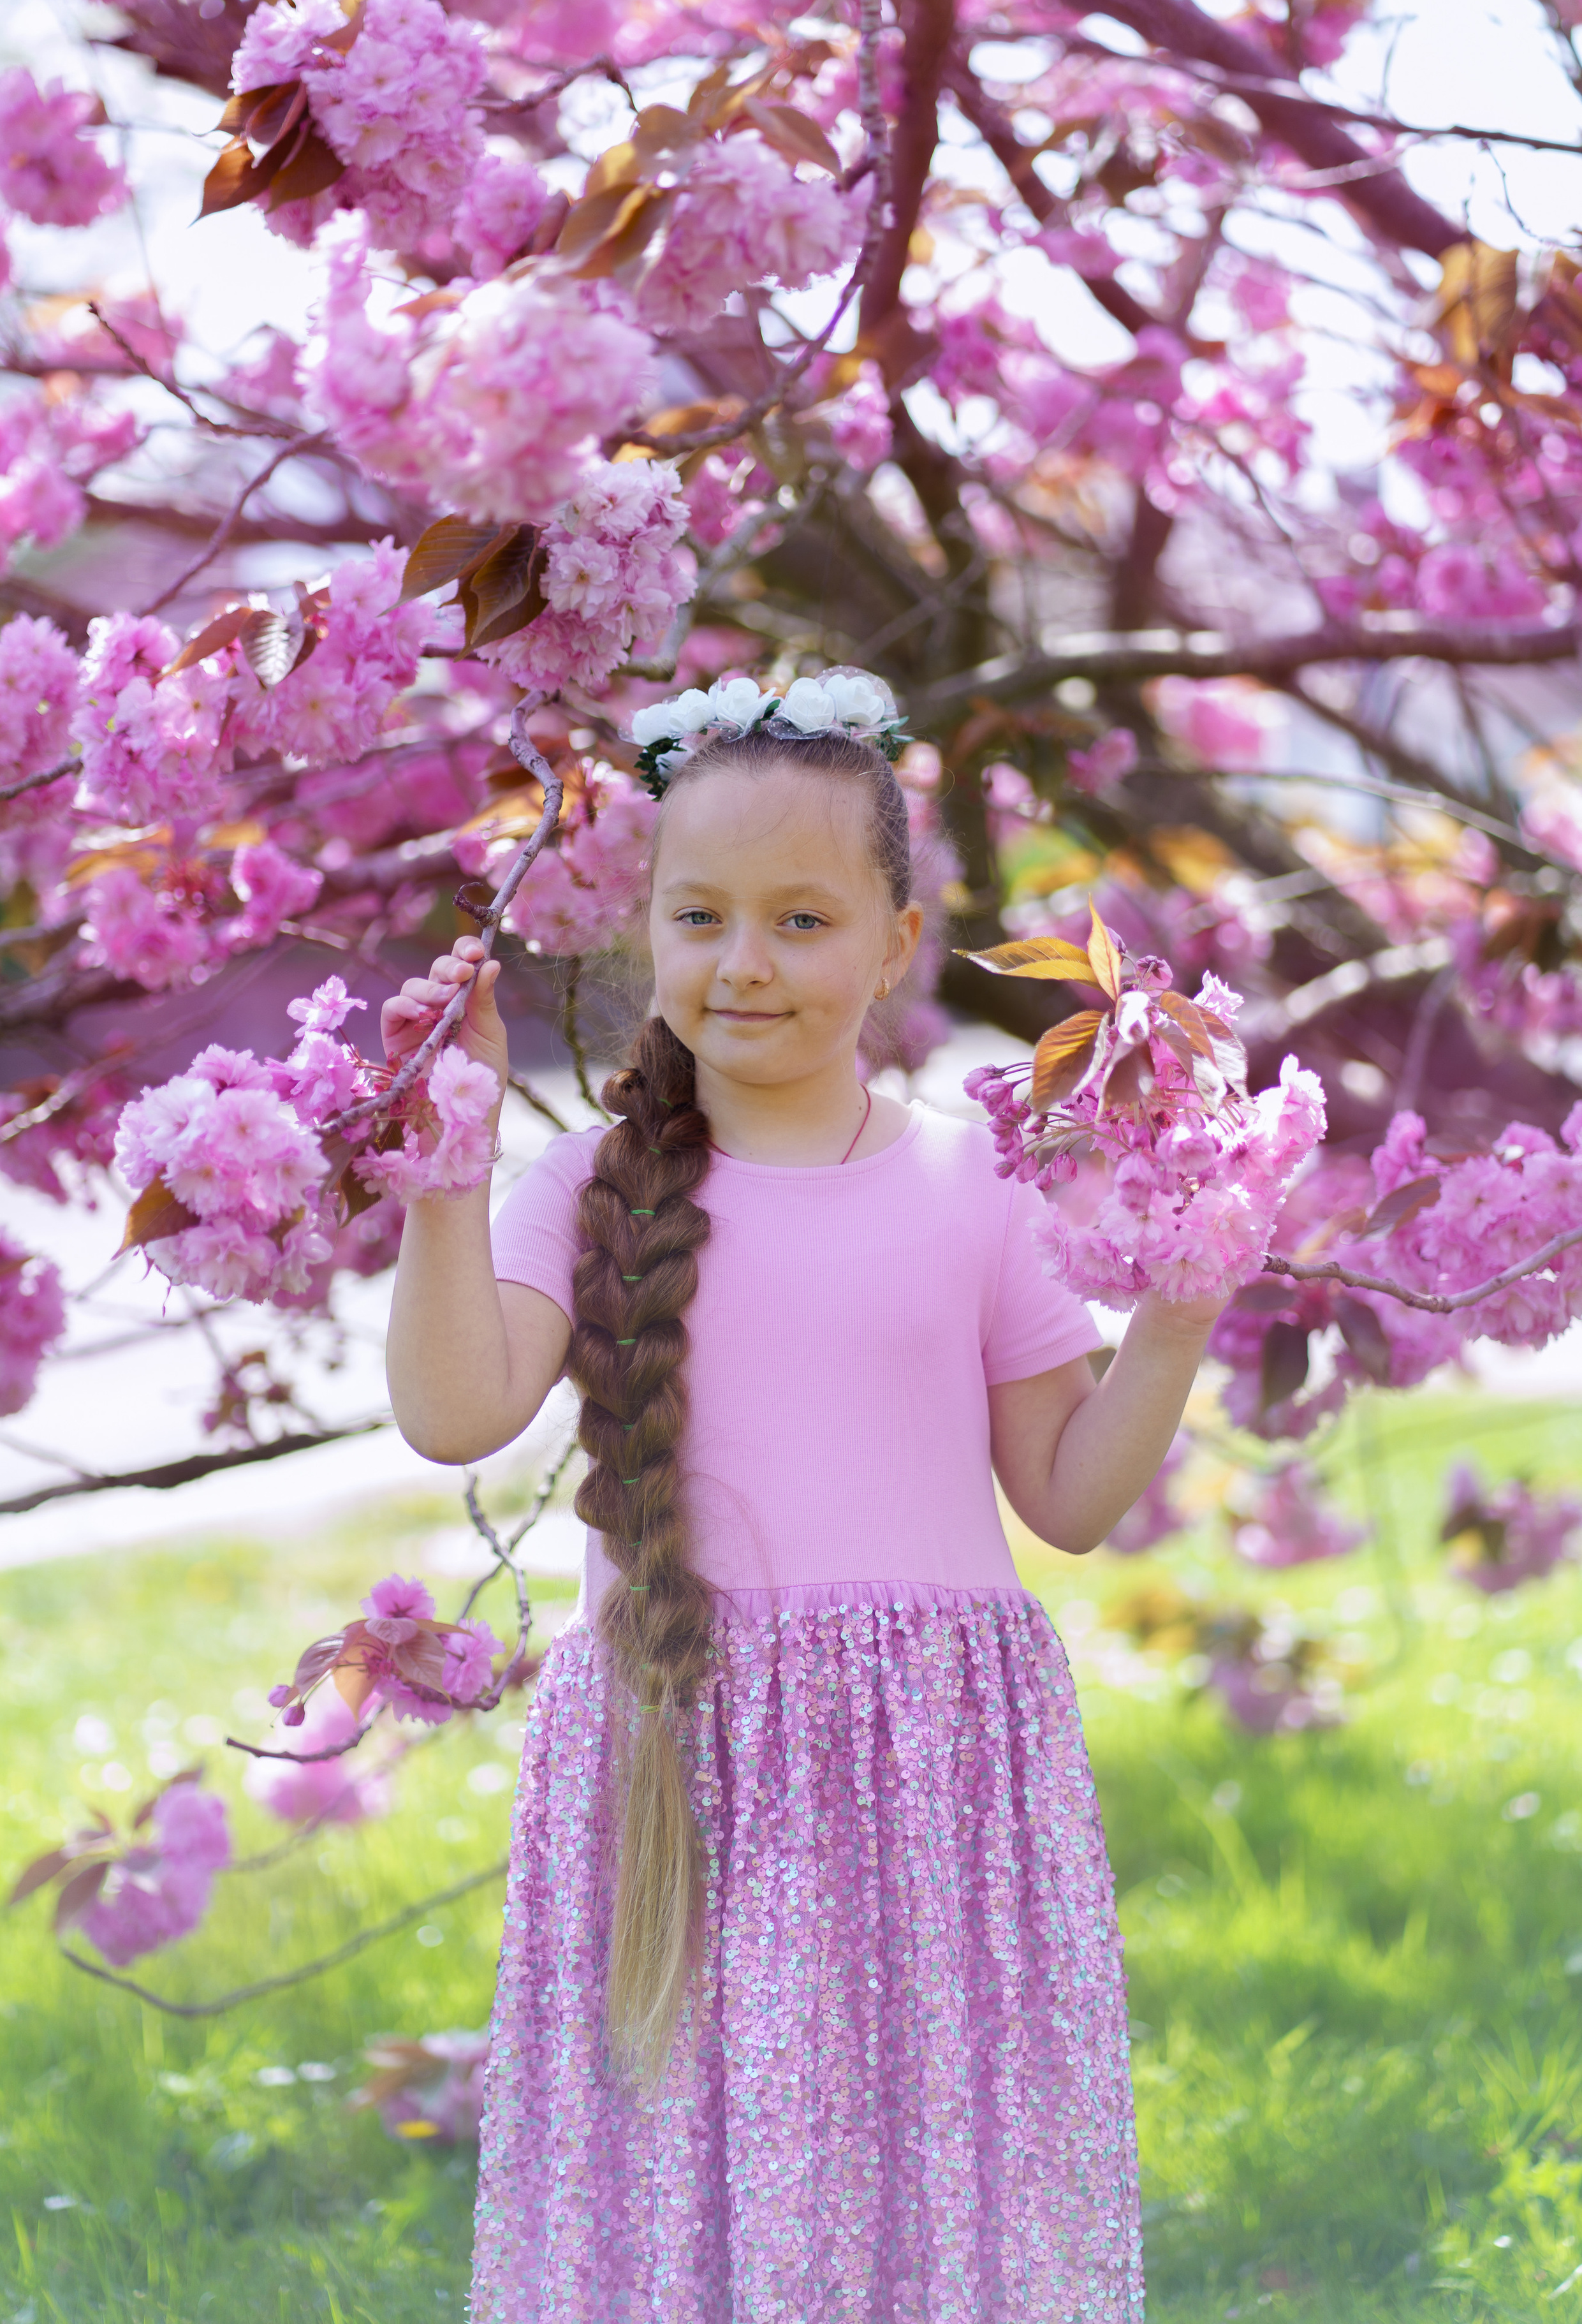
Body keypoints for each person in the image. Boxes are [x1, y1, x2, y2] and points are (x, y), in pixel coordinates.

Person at [383, 688, 1224, 2324]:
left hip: (934, 1770)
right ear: (645, 927)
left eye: (799, 920)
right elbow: (454, 1409)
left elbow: (1066, 1497)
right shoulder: (582, 1187)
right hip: (682, 1751)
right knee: (689, 2161)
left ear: (897, 939)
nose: (741, 962)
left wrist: (1177, 1319)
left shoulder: (977, 1178)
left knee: (923, 2177)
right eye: (697, 917)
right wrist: (442, 1180)